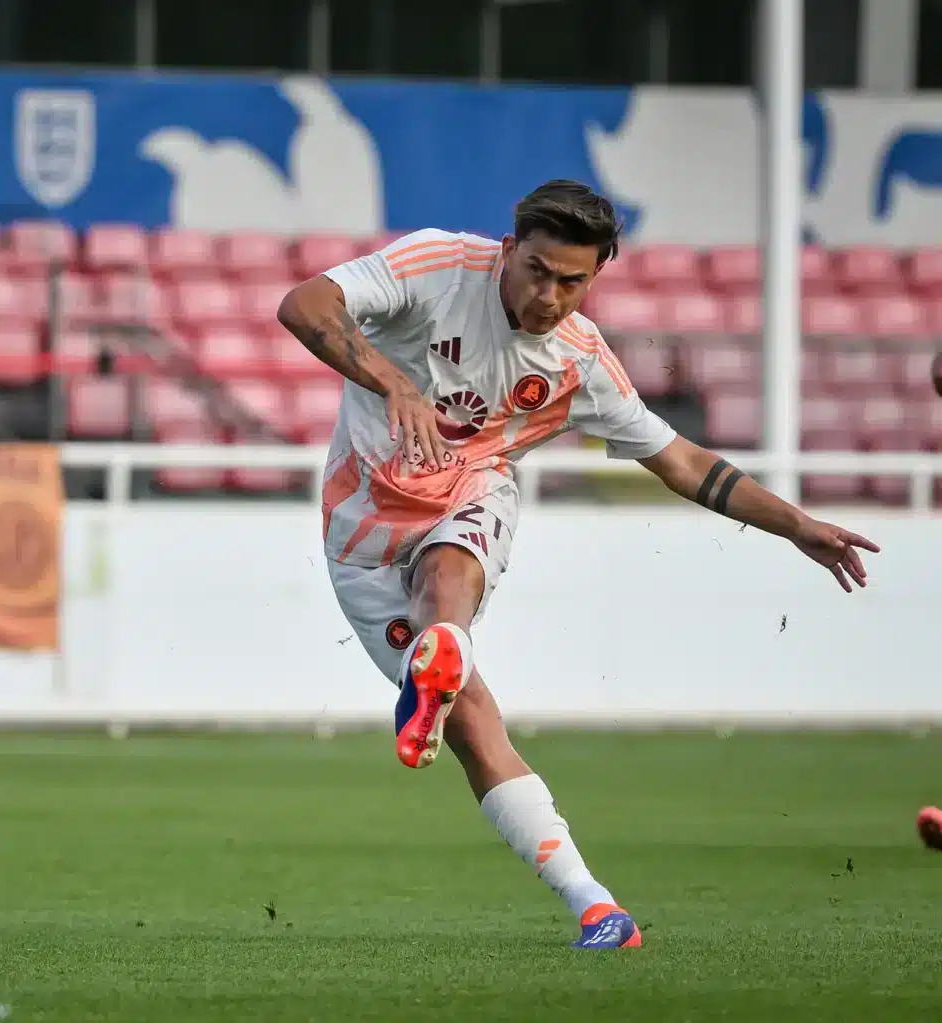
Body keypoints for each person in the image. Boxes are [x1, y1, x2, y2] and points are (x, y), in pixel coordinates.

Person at [276, 179, 879, 950]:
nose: (551, 295)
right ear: (507, 251)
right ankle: (444, 670)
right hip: (360, 530)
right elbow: (303, 304)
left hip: (468, 488)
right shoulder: (435, 266)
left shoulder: (579, 360)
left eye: (574, 281)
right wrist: (393, 379)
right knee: (472, 727)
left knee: (452, 562)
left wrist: (795, 524)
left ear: (594, 279)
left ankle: (597, 906)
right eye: (537, 271)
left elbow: (684, 462)